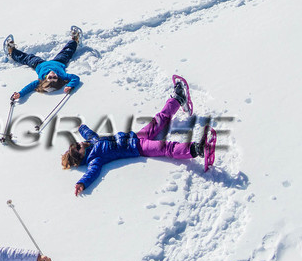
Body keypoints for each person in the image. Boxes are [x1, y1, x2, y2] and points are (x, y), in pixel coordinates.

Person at [64, 81, 215, 195]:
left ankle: (177, 99)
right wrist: (82, 183)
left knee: (160, 119)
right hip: (138, 148)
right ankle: (197, 149)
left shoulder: (92, 142)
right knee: (166, 147)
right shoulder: (94, 159)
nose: (79, 144)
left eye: (76, 144)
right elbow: (92, 173)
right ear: (80, 156)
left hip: (136, 136)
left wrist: (81, 128)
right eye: (78, 147)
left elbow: (90, 134)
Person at [6, 26, 83, 103]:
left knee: (26, 58)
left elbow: (29, 87)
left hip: (39, 64)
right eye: (54, 77)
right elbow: (75, 78)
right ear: (58, 78)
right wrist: (70, 85)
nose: (53, 75)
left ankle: (12, 51)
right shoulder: (62, 76)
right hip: (59, 62)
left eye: (50, 77)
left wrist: (20, 94)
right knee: (67, 52)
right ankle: (75, 39)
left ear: (46, 77)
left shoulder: (40, 80)